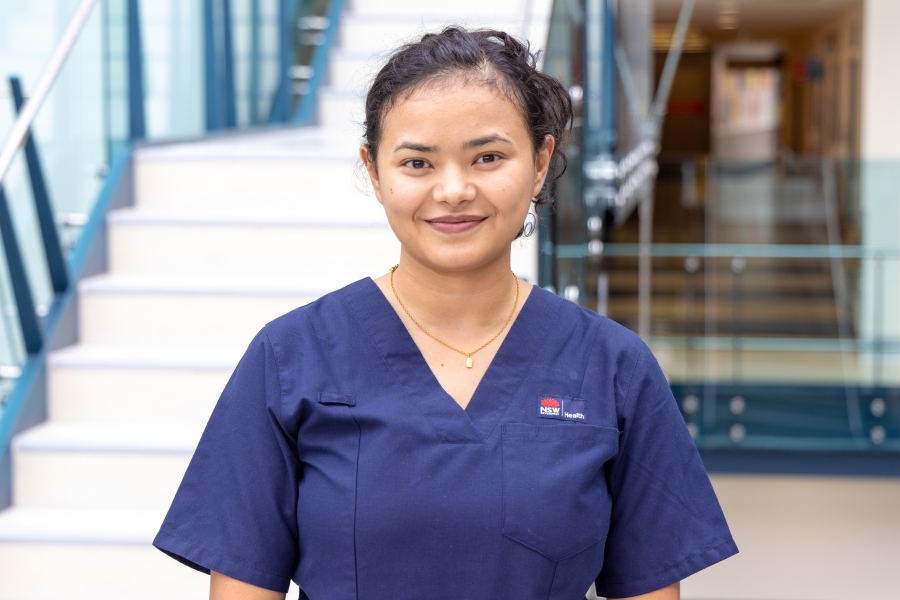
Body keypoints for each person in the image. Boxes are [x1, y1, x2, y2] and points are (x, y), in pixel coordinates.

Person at [153, 27, 737, 600]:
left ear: (540, 163)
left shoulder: (613, 367)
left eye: (487, 156)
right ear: (375, 171)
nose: (454, 189)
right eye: (417, 163)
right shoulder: (291, 358)